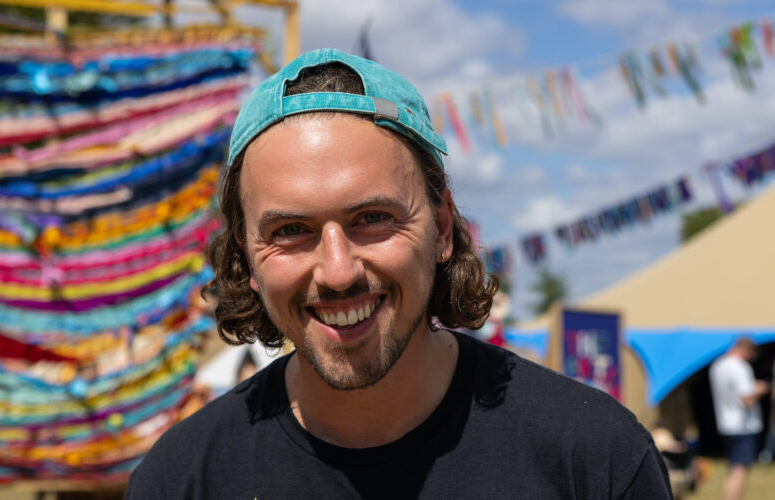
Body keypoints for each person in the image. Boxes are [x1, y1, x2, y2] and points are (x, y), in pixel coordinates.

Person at [126, 48, 672, 499]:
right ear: (245, 257)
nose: (338, 272)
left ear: (442, 227)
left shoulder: (593, 462)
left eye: (372, 219)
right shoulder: (180, 482)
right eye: (291, 230)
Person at [709, 337, 770, 500]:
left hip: (726, 423)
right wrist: (762, 389)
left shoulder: (718, 365)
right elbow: (746, 399)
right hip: (742, 425)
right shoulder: (740, 367)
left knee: (733, 469)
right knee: (740, 470)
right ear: (746, 350)